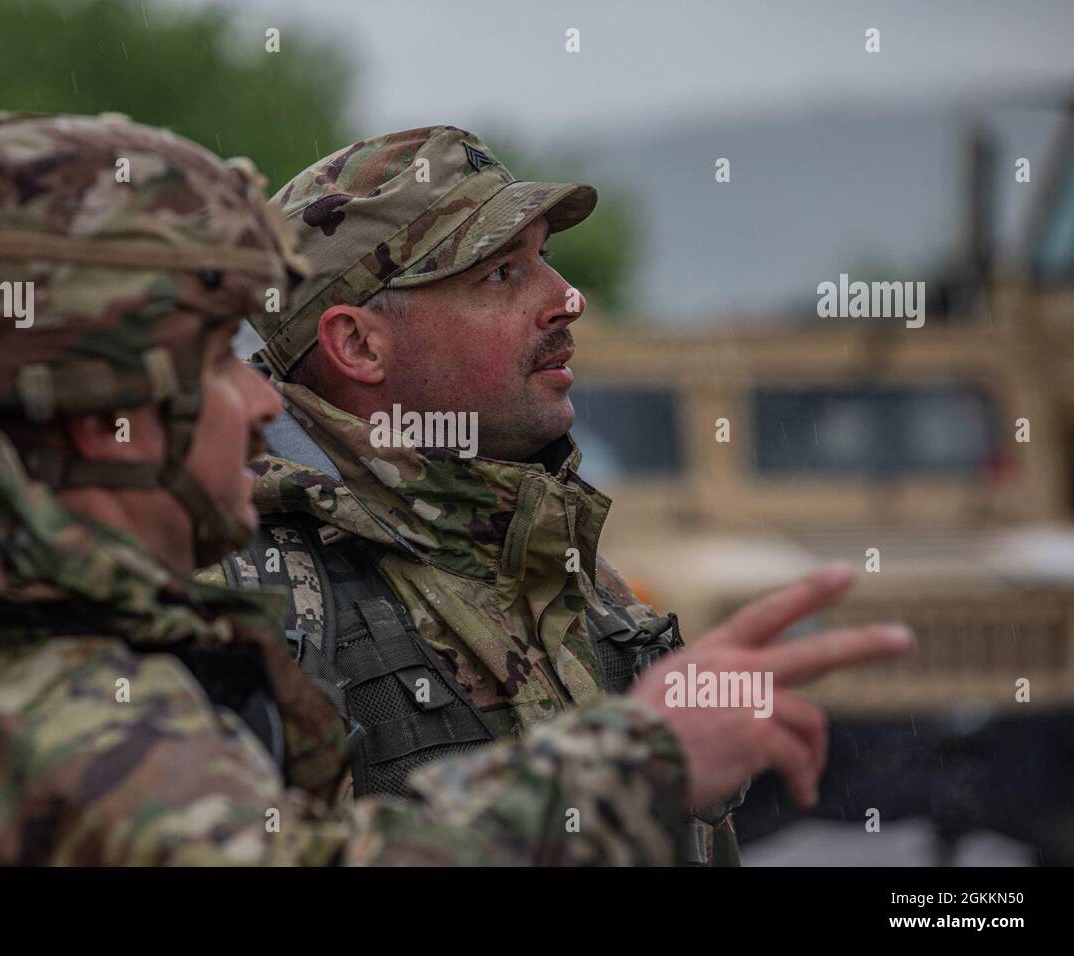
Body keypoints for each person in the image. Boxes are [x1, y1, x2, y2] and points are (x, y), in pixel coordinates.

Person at [0, 112, 909, 867]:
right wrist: (641, 759)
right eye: (502, 272)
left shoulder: (548, 549)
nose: (257, 400)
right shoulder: (108, 645)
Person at [208, 125, 912, 865]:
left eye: (544, 259)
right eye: (500, 275)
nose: (567, 300)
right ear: (358, 345)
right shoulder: (243, 598)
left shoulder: (569, 574)